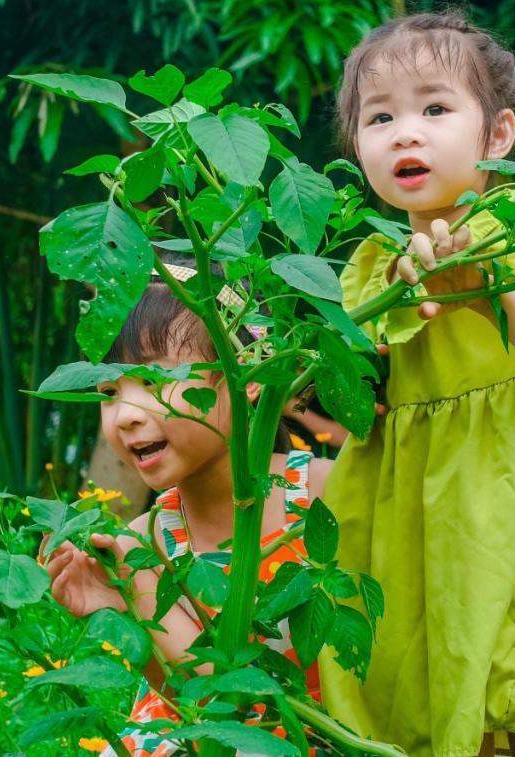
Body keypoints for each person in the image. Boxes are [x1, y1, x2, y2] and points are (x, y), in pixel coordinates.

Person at [319, 10, 515, 757]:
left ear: (496, 136)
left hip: (512, 499)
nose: (406, 133)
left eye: (435, 108)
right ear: (356, 145)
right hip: (411, 513)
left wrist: (489, 289)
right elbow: (348, 398)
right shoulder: (370, 264)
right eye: (379, 117)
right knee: (431, 698)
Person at [43, 256, 331, 756]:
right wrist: (125, 604)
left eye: (153, 381)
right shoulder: (143, 539)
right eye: (110, 391)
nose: (126, 415)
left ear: (249, 375)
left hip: (315, 735)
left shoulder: (323, 496)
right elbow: (191, 698)